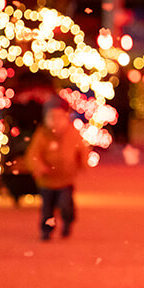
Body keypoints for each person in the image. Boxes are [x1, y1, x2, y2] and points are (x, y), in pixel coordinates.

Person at [25, 97, 88, 240]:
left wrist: (83, 163)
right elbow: (33, 155)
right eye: (51, 118)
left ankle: (67, 221)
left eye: (59, 118)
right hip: (47, 181)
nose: (56, 122)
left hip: (66, 179)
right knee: (47, 208)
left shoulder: (72, 134)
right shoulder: (42, 135)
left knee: (66, 205)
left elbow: (82, 150)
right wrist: (39, 167)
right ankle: (46, 230)